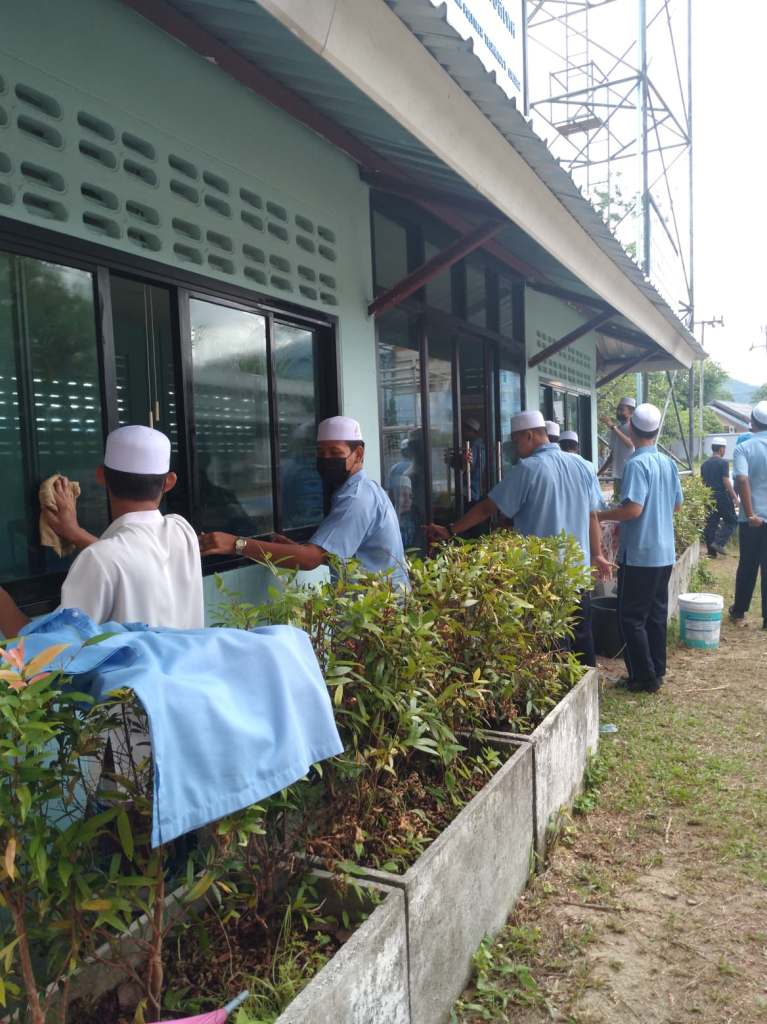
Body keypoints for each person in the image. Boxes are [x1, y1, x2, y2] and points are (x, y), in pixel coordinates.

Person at [426, 410, 611, 666]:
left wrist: (451, 530)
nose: (514, 448)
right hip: (576, 575)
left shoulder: (528, 469)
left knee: (551, 647)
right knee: (581, 639)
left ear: (530, 435)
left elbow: (488, 508)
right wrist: (597, 553)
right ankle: (589, 688)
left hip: (543, 579)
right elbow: (592, 516)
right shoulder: (583, 465)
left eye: (516, 441)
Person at [0, 425, 204, 638]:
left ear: (100, 475)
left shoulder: (99, 559)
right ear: (169, 482)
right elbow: (132, 557)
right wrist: (75, 532)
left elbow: (48, 650)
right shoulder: (182, 530)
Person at [199, 416, 409, 589]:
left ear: (358, 454)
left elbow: (310, 559)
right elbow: (339, 554)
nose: (326, 459)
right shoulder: (364, 489)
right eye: (321, 453)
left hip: (379, 610)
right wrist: (297, 549)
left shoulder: (356, 498)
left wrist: (235, 544)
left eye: (335, 452)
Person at [597, 403, 683, 694]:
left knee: (631, 618)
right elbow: (677, 505)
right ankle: (656, 669)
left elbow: (633, 509)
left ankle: (644, 678)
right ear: (656, 431)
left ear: (631, 429)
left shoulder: (636, 464)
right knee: (655, 614)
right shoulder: (667, 463)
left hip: (640, 554)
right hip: (664, 553)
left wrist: (600, 515)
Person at [729, 401, 767, 627]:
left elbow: (742, 479)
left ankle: (739, 612)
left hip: (752, 520)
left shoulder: (744, 447)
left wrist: (751, 514)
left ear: (752, 422)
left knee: (748, 566)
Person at [700, 437, 738, 557]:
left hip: (708, 496)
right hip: (721, 495)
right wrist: (734, 497)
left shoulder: (704, 464)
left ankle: (711, 553)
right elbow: (726, 481)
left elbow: (702, 483)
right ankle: (719, 543)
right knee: (732, 521)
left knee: (711, 523)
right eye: (724, 449)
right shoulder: (723, 463)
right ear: (721, 449)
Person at [599, 396, 636, 497]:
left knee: (628, 503)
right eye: (618, 409)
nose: (618, 412)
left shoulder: (633, 427)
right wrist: (598, 473)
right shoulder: (617, 429)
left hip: (630, 475)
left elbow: (630, 444)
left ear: (631, 412)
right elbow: (612, 456)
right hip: (617, 476)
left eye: (622, 410)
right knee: (618, 502)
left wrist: (613, 427)